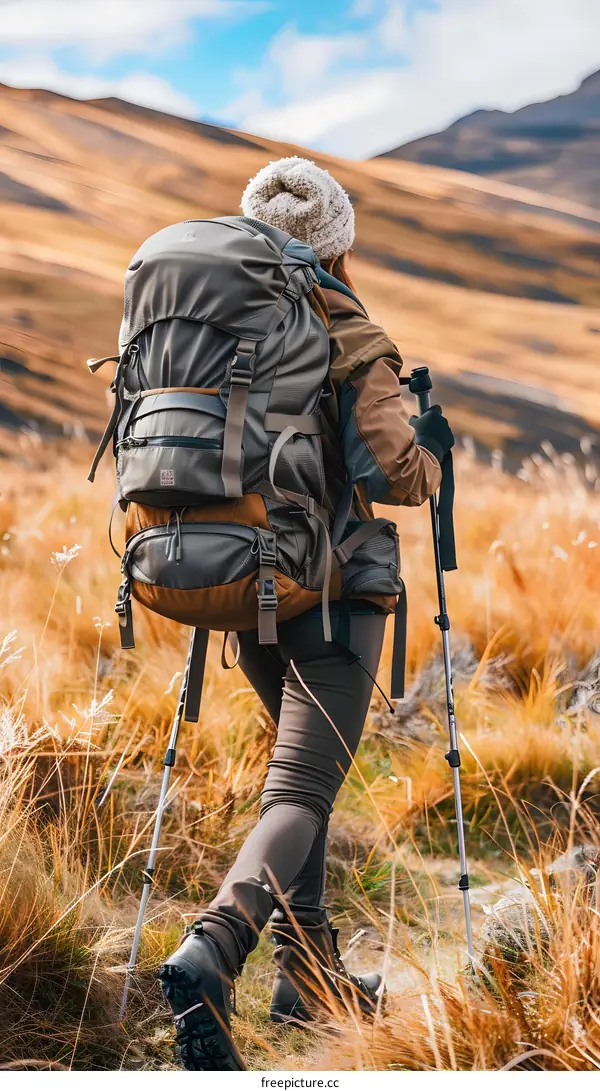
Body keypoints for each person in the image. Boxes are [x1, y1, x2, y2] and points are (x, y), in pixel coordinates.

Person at [158, 157, 454, 1070]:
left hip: (238, 583)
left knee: (301, 779)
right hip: (331, 593)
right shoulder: (340, 319)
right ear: (340, 241)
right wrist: (430, 448)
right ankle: (213, 950)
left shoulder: (211, 320)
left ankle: (309, 978)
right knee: (302, 788)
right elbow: (390, 472)